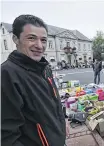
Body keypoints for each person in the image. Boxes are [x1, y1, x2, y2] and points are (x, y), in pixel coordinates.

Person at [1, 15, 66, 146]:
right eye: (31, 38)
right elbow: (7, 136)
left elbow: (54, 101)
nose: (39, 46)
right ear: (15, 39)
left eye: (43, 40)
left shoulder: (44, 67)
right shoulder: (7, 74)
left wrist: (62, 123)